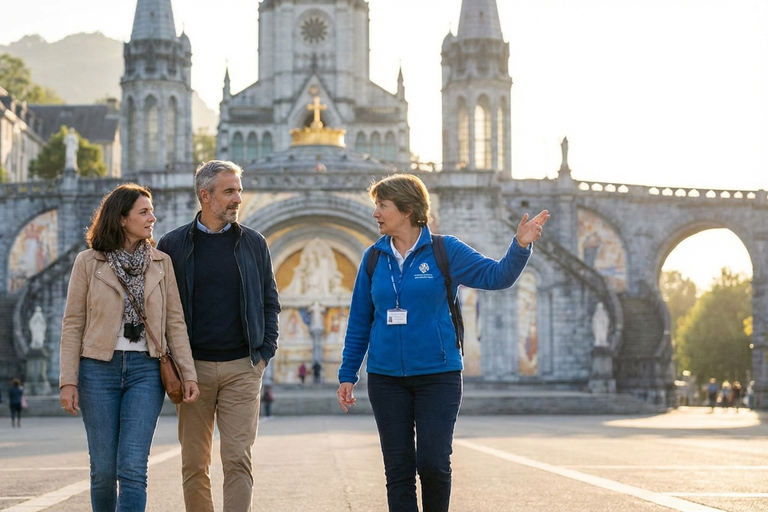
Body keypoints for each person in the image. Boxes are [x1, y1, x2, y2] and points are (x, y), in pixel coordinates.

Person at [337, 173, 549, 512]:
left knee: (433, 464)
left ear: (407, 209)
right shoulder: (372, 258)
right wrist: (348, 374)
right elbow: (360, 319)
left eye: (382, 206)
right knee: (399, 470)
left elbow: (497, 276)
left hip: (439, 375)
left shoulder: (444, 250)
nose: (375, 213)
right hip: (386, 379)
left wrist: (520, 246)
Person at [58, 183, 199, 511]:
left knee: (133, 468)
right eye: (144, 212)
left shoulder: (161, 263)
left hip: (146, 371)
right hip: (97, 370)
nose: (153, 217)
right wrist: (69, 380)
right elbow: (72, 323)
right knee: (103, 471)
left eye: (151, 211)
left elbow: (174, 323)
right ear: (122, 219)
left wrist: (187, 373)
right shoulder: (88, 263)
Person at [157, 160, 280, 512]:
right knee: (194, 463)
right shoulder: (174, 244)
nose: (238, 199)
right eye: (229, 192)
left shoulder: (254, 243)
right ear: (205, 196)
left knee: (238, 459)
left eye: (239, 190)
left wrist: (263, 353)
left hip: (243, 366)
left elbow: (270, 302)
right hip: (192, 368)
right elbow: (163, 306)